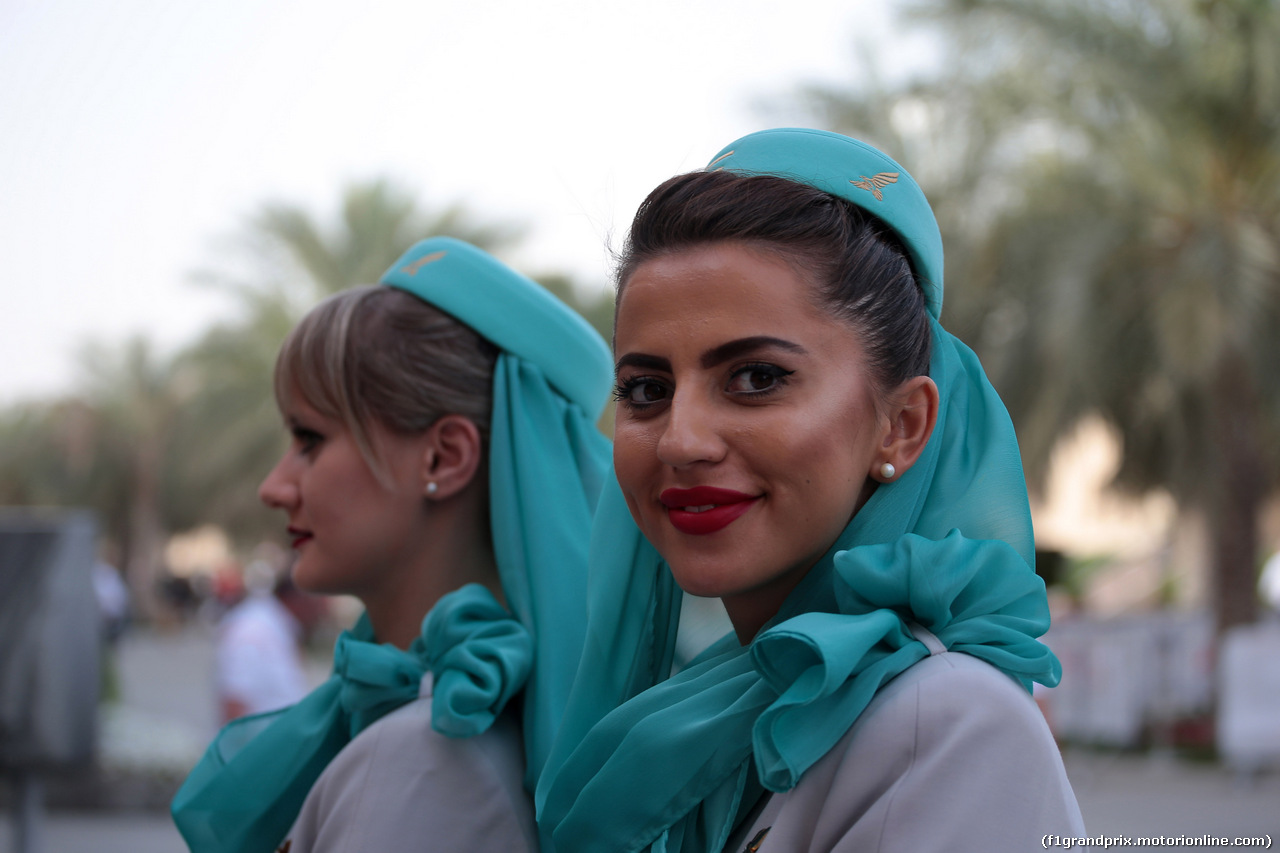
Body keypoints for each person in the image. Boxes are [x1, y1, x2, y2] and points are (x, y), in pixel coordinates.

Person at [537, 129, 1085, 852]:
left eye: (757, 377)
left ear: (900, 425)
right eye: (646, 389)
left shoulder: (943, 723)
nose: (681, 439)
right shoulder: (707, 712)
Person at [172, 237, 612, 853]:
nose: (274, 487)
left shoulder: (422, 756)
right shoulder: (454, 726)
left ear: (444, 456)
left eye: (309, 440)